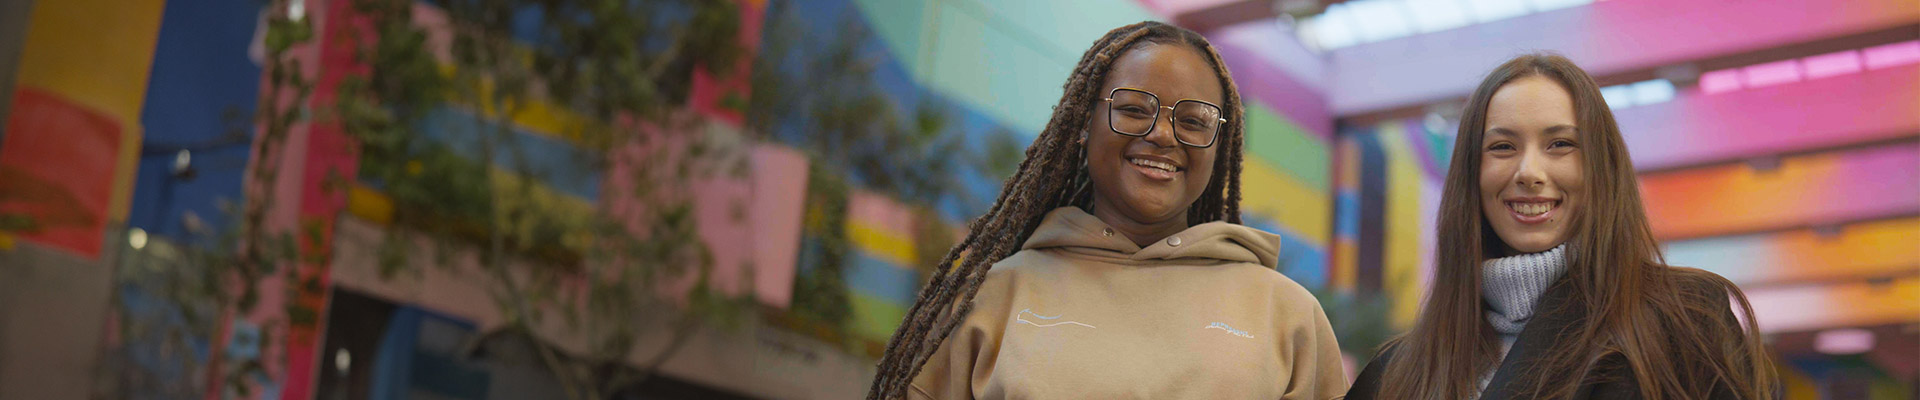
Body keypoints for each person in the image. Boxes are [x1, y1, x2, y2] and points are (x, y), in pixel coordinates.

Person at [862, 21, 1347, 400]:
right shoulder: (991, 297)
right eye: (1135, 108)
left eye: (1194, 120)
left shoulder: (1287, 314)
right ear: (1082, 123)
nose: (1161, 134)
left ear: (1220, 147)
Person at [1345, 53, 1776, 400]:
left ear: (1601, 168)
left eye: (1561, 144)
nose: (1529, 171)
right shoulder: (1395, 374)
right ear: (1470, 176)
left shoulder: (1683, 318)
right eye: (1502, 147)